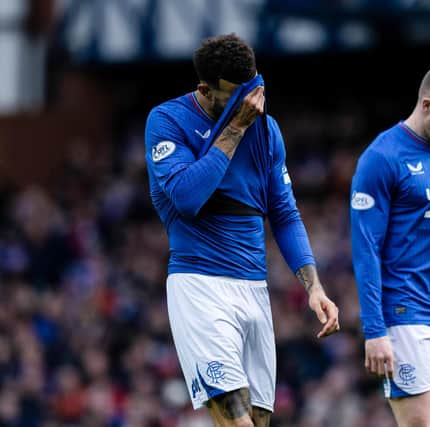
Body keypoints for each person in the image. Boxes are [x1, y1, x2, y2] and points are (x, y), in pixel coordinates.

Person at [144, 33, 340, 427]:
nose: (251, 104)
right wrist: (233, 130)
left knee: (258, 420)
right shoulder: (167, 121)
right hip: (200, 286)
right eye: (238, 96)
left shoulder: (267, 131)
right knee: (237, 422)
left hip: (254, 289)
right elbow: (186, 197)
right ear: (205, 89)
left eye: (254, 90)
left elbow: (284, 213)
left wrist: (314, 287)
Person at [351, 63, 430, 427]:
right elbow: (365, 250)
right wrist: (375, 330)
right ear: (426, 105)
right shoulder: (382, 158)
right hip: (406, 315)